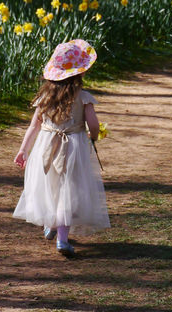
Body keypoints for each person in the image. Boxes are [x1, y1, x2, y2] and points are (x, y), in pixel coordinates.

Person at [12, 39, 110, 257]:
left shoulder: (44, 97)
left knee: (50, 187)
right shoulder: (83, 98)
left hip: (46, 146)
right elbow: (93, 124)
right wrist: (93, 136)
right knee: (69, 191)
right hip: (73, 146)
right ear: (79, 73)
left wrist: (23, 150)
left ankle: (51, 225)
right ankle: (62, 240)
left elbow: (34, 126)